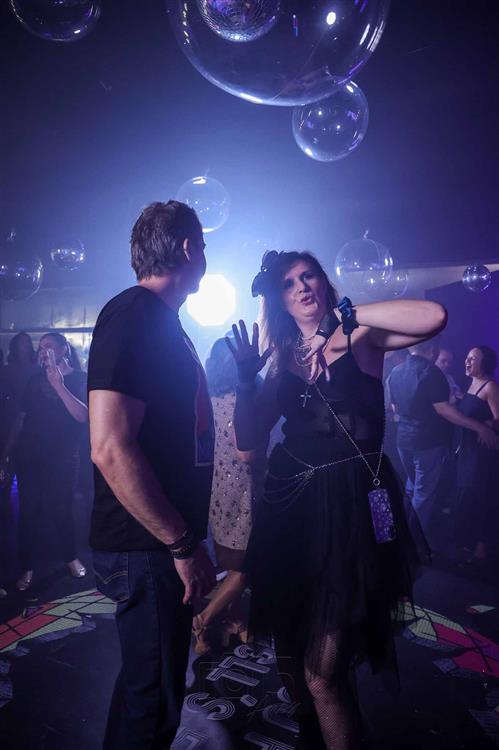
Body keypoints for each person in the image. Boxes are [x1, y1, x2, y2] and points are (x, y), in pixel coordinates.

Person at [227, 249, 444, 750]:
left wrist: (346, 317)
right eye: (289, 283)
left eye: (309, 277)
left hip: (347, 512)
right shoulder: (282, 362)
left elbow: (434, 316)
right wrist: (244, 381)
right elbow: (246, 442)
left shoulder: (360, 336)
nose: (302, 287)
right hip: (291, 511)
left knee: (322, 673)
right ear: (279, 300)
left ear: (324, 283)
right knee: (293, 653)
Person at [88, 201, 216, 750]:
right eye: (203, 245)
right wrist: (181, 543)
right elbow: (110, 448)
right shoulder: (133, 315)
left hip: (157, 542)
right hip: (148, 545)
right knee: (154, 702)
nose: (205, 255)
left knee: (147, 689)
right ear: (187, 248)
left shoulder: (161, 319)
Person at [191, 338, 264, 654]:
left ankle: (234, 620)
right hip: (243, 488)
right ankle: (204, 619)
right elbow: (246, 453)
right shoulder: (243, 400)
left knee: (232, 560)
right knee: (248, 564)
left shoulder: (207, 399)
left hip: (216, 488)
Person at [0, 333, 88, 591]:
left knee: (62, 509)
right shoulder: (34, 380)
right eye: (40, 348)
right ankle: (27, 566)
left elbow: (83, 416)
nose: (43, 351)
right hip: (31, 456)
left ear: (64, 349)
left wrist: (59, 385)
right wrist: (7, 452)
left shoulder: (79, 378)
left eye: (48, 346)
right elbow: (21, 418)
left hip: (63, 457)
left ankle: (70, 557)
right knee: (29, 512)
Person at [389, 340, 498, 546]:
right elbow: (444, 410)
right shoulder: (432, 373)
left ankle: (403, 536)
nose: (465, 362)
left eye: (472, 359)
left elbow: (395, 408)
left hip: (403, 440)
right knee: (423, 494)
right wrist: (480, 427)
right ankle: (414, 544)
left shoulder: (396, 371)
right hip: (426, 442)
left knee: (412, 489)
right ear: (432, 350)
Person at [451, 346, 499, 568]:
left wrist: (487, 424)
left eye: (472, 359)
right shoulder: (471, 383)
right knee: (467, 495)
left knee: (480, 497)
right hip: (467, 451)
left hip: (481, 454)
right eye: (467, 357)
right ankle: (468, 545)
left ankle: (480, 551)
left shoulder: (490, 387)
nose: (467, 361)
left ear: (485, 363)